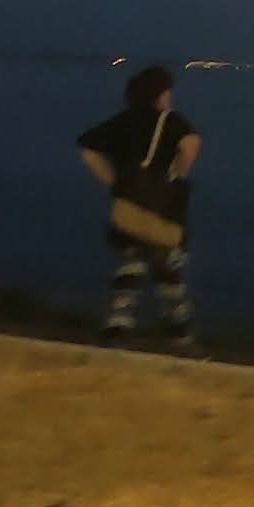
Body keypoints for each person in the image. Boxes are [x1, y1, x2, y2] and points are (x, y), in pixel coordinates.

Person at [76, 67, 201, 353]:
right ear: (159, 94)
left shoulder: (124, 120)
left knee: (130, 266)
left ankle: (117, 328)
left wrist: (112, 180)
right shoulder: (171, 120)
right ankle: (179, 335)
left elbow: (88, 148)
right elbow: (190, 145)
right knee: (170, 270)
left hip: (129, 206)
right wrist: (178, 174)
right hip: (163, 208)